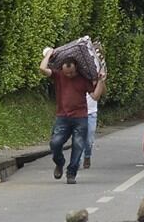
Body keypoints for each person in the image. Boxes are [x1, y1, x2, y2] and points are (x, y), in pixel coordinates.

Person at [39, 50, 107, 184]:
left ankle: (71, 173)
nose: (69, 75)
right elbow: (42, 69)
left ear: (76, 67)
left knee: (78, 145)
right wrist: (48, 54)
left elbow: (95, 96)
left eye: (71, 72)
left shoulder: (83, 79)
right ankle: (60, 162)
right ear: (62, 69)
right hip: (62, 117)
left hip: (80, 117)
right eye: (66, 72)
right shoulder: (58, 75)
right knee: (55, 143)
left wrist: (101, 81)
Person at [81, 92, 97, 169]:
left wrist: (101, 81)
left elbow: (103, 93)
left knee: (89, 140)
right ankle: (77, 161)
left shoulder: (95, 81)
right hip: (79, 113)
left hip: (91, 113)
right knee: (79, 138)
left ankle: (87, 155)